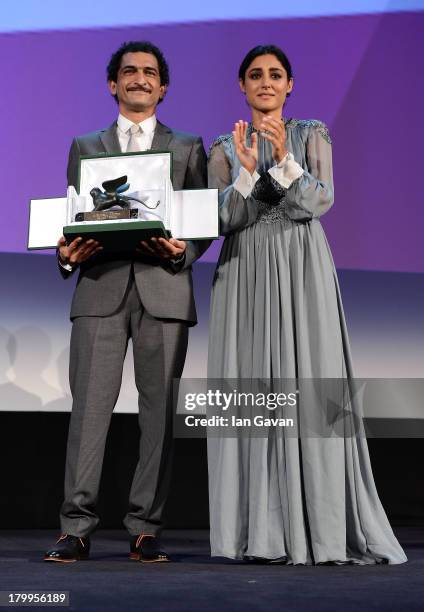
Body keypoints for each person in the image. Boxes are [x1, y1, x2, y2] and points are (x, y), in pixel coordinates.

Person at [207, 45, 407, 564]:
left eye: (275, 75)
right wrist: (247, 172)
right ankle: (258, 533)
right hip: (245, 268)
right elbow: (224, 219)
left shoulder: (311, 132)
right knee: (250, 385)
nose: (266, 82)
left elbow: (319, 200)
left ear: (290, 85)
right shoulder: (224, 146)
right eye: (255, 75)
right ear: (242, 85)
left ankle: (322, 528)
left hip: (301, 264)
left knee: (313, 383)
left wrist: (287, 164)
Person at [44, 41, 209, 563]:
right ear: (113, 84)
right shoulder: (83, 145)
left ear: (163, 87)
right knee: (88, 413)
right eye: (130, 71)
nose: (140, 78)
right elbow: (74, 220)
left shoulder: (188, 146)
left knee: (159, 417)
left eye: (150, 73)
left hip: (165, 288)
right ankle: (75, 528)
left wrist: (186, 249)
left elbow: (202, 220)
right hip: (99, 290)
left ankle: (145, 527)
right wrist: (67, 254)